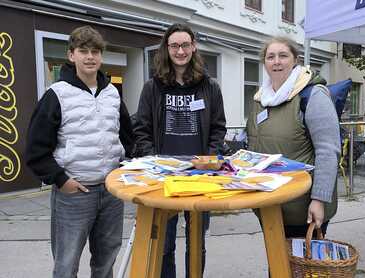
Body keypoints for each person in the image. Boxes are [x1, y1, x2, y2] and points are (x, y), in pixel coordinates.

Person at [25, 25, 135, 278]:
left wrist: (122, 167)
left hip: (111, 192)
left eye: (95, 51)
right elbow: (35, 149)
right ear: (71, 55)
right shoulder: (56, 95)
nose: (90, 57)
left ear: (101, 56)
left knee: (106, 259)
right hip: (74, 194)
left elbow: (126, 135)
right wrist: (62, 180)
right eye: (83, 51)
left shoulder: (112, 94)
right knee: (66, 263)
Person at [134, 23, 226, 278]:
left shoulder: (209, 86)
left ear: (193, 47)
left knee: (197, 244)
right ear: (167, 49)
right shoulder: (152, 88)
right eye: (174, 45)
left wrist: (210, 157)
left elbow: (219, 127)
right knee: (164, 244)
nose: (180, 51)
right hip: (165, 176)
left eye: (185, 45)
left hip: (200, 177)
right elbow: (141, 128)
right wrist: (154, 160)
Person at [246, 37, 341, 240]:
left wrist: (319, 200)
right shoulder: (260, 98)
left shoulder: (313, 95)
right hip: (269, 203)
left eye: (283, 55)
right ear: (265, 63)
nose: (276, 61)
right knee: (278, 265)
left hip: (302, 207)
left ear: (295, 60)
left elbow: (327, 150)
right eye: (270, 57)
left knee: (302, 268)